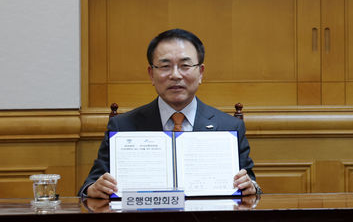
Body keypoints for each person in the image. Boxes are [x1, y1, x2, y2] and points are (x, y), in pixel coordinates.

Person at [79, 28, 260, 198]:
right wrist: (94, 188)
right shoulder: (123, 126)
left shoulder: (229, 127)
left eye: (185, 65)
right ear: (151, 74)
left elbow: (251, 185)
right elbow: (88, 187)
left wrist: (250, 186)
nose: (175, 75)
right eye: (165, 66)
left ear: (201, 73)